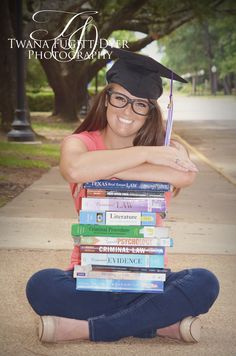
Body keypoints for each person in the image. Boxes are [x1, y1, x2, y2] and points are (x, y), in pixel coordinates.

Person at [26, 47, 219, 344]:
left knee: (205, 283)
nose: (127, 111)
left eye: (140, 104)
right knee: (41, 286)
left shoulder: (168, 144)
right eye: (120, 99)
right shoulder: (79, 143)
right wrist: (145, 156)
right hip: (89, 273)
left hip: (148, 276)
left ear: (150, 110)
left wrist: (107, 169)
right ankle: (157, 322)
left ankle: (87, 329)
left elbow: (185, 174)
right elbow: (75, 169)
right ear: (105, 99)